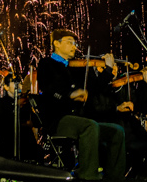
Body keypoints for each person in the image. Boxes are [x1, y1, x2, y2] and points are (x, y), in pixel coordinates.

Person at [36, 29, 125, 182]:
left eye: (75, 43)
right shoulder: (46, 64)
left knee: (116, 131)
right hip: (57, 119)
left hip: (79, 118)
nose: (73, 46)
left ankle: (115, 177)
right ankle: (88, 176)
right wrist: (69, 95)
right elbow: (47, 89)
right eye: (69, 42)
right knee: (89, 126)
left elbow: (95, 87)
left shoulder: (77, 67)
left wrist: (108, 71)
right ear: (56, 44)